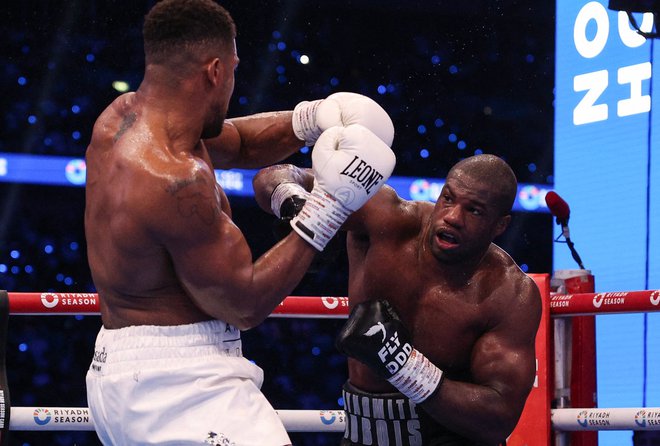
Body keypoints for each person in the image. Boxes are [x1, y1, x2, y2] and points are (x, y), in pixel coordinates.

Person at [83, 0, 396, 444]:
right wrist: (329, 203)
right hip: (178, 385)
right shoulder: (174, 178)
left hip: (128, 371)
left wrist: (310, 118)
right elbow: (244, 304)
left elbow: (242, 142)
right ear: (215, 71)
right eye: (233, 68)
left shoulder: (120, 119)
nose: (233, 79)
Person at [253, 154, 542, 446]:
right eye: (448, 198)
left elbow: (499, 416)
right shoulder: (386, 219)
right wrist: (300, 209)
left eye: (475, 211)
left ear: (500, 225)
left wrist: (402, 364)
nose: (453, 217)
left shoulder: (509, 293)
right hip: (364, 435)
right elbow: (276, 175)